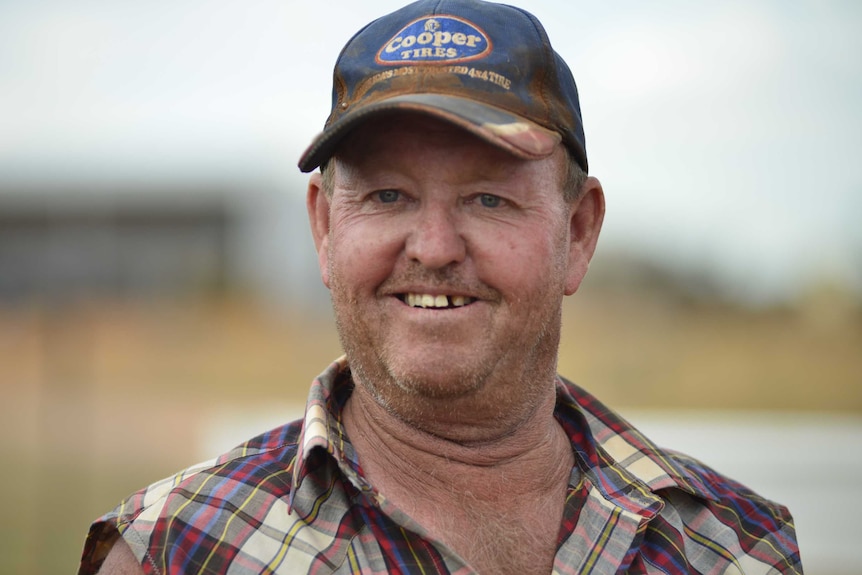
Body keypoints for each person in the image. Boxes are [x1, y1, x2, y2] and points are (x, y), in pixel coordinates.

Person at [79, 1, 802, 573]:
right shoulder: (177, 550)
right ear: (325, 228)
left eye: (489, 198)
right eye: (389, 196)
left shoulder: (733, 547)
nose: (433, 247)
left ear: (578, 234)